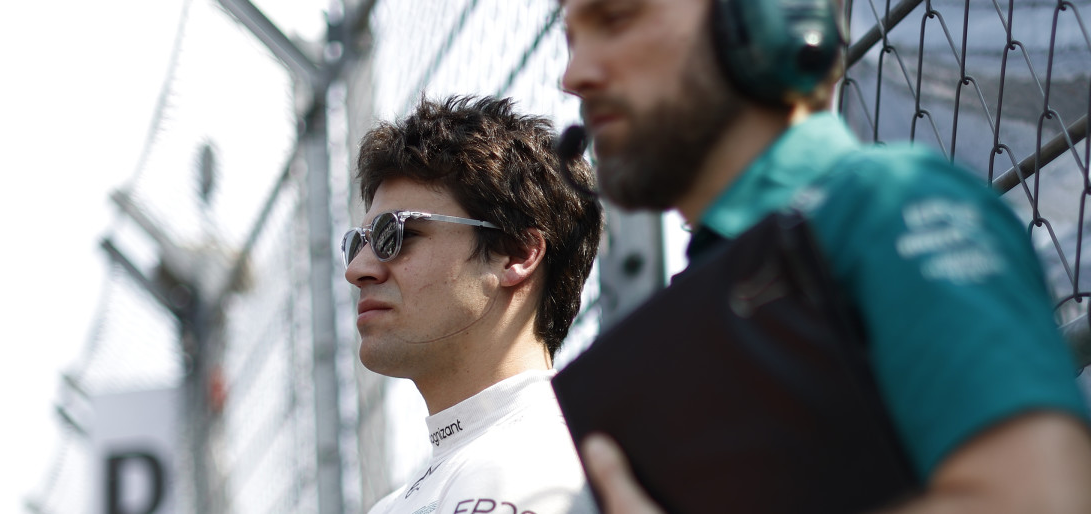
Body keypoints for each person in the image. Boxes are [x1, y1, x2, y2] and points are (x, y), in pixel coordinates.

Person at [559, 0, 1091, 512]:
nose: (573, 74)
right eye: (570, 40)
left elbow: (1039, 500)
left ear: (766, 12)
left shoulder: (888, 206)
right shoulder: (689, 306)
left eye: (616, 17)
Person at [344, 95, 602, 513]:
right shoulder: (401, 501)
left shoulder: (544, 465)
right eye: (358, 243)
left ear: (516, 254)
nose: (358, 269)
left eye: (397, 235)